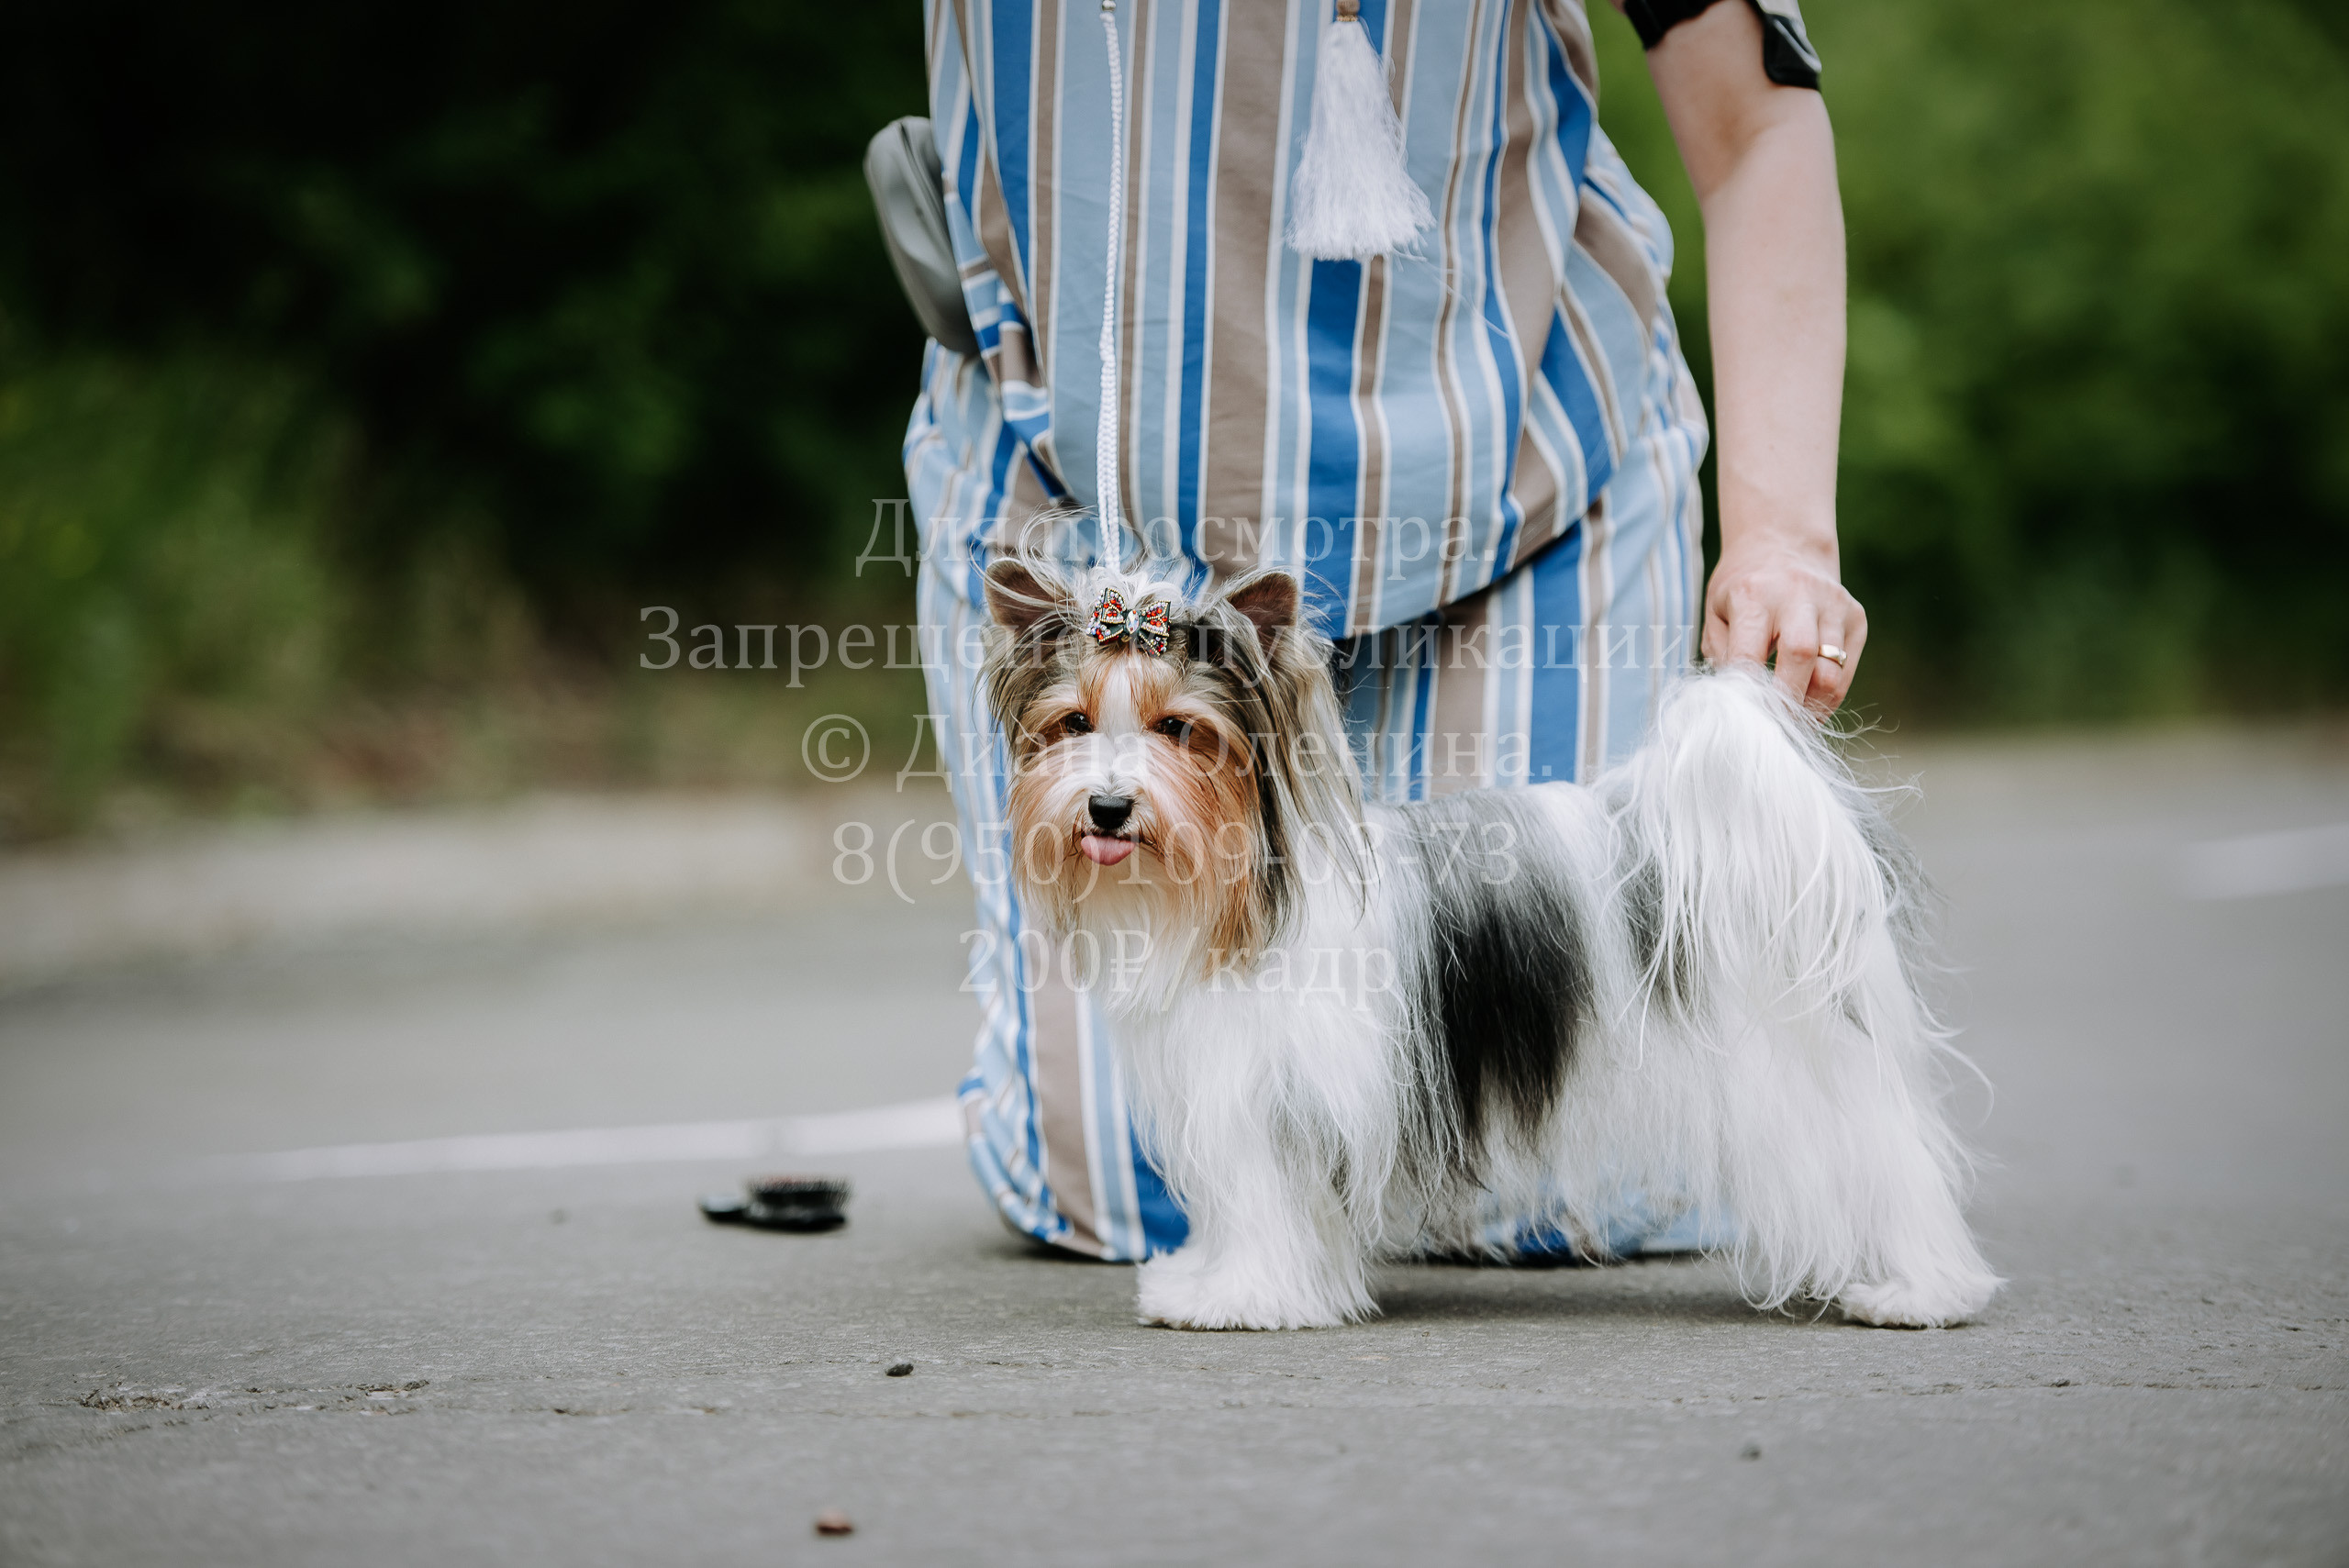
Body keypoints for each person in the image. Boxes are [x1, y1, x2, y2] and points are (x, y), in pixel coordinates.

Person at [901, 0, 1865, 1260]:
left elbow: (1752, 121)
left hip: (1519, 478)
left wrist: (1783, 531)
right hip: (1082, 493)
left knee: (1558, 1183)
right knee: (1147, 1184)